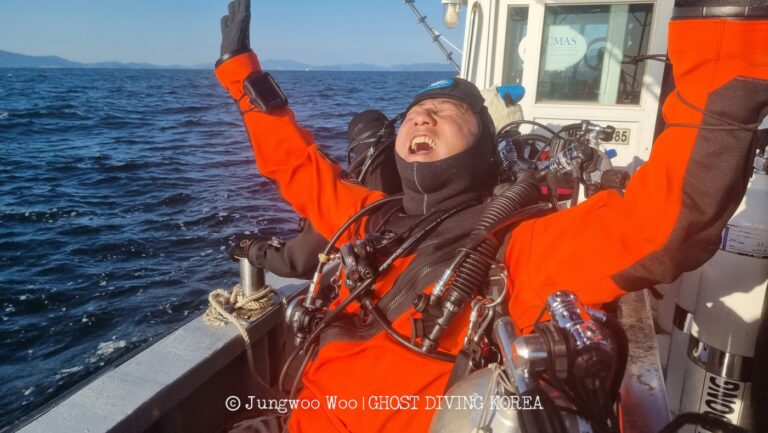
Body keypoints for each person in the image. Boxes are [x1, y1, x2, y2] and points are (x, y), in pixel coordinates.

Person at [215, 0, 768, 431]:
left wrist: (726, 43)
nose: (422, 118)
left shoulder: (520, 247)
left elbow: (662, 226)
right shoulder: (369, 216)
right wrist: (241, 73)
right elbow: (295, 167)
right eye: (414, 114)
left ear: (483, 149)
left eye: (447, 112)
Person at [230, 110, 401, 279]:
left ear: (353, 145)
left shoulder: (352, 193)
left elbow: (297, 264)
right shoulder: (413, 176)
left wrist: (254, 249)